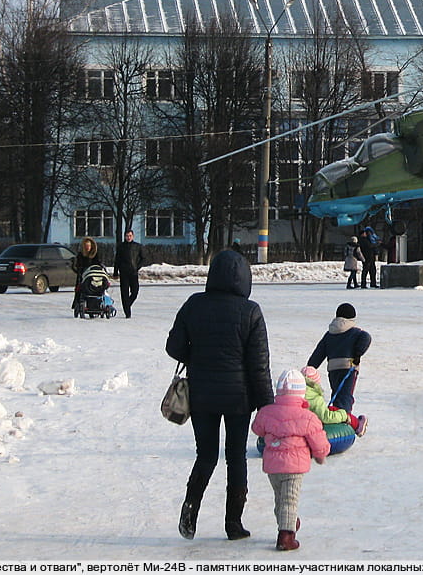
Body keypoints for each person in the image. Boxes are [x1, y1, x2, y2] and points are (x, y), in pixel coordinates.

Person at [166, 249, 274, 542]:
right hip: (239, 399)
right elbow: (258, 366)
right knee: (236, 457)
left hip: (201, 394)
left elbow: (174, 348)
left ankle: (190, 510)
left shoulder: (193, 304)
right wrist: (268, 407)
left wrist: (196, 353)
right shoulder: (250, 311)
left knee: (206, 455)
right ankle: (233, 523)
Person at [250, 370, 330, 551]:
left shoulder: (267, 412)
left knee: (280, 499)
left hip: (272, 466)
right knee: (289, 500)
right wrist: (320, 454)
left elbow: (257, 429)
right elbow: (319, 441)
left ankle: (289, 522)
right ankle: (286, 537)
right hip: (294, 467)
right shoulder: (308, 417)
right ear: (301, 392)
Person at [307, 302, 371, 413]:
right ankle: (344, 419)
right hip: (349, 367)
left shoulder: (329, 333)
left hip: (333, 369)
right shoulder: (355, 332)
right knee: (346, 395)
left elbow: (319, 352)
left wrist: (310, 367)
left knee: (337, 393)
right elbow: (366, 338)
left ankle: (336, 415)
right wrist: (357, 354)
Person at [301, 365, 367, 437]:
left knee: (331, 409)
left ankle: (356, 422)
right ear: (316, 383)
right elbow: (326, 417)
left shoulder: (295, 393)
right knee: (335, 412)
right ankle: (357, 424)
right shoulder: (315, 398)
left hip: (300, 422)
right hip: (310, 426)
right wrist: (344, 415)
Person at [113, 228, 144, 318]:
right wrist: (115, 272)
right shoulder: (121, 247)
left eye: (130, 236)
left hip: (133, 272)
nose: (128, 237)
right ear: (125, 236)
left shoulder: (137, 246)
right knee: (124, 292)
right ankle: (127, 312)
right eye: (127, 236)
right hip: (124, 273)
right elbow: (117, 260)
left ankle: (127, 305)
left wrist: (137, 267)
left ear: (133, 236)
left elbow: (143, 258)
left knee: (135, 291)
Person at [71, 237, 100, 311]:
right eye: (86, 246)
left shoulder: (95, 255)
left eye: (89, 245)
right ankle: (78, 304)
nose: (87, 247)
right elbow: (77, 266)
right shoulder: (81, 255)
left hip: (92, 275)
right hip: (83, 275)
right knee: (81, 289)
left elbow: (97, 264)